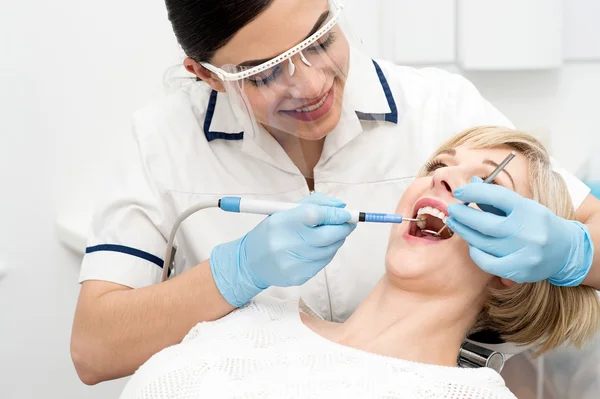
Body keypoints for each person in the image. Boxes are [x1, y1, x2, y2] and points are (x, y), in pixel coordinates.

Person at [70, 0, 600, 385]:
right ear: (205, 76)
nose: (310, 85)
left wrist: (574, 252)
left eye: (320, 39)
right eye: (264, 74)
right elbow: (94, 350)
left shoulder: (439, 107)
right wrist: (236, 271)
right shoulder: (162, 143)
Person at [118, 126, 600, 399]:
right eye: (438, 166)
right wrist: (238, 268)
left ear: (513, 269)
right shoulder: (248, 317)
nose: (445, 179)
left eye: (490, 187)